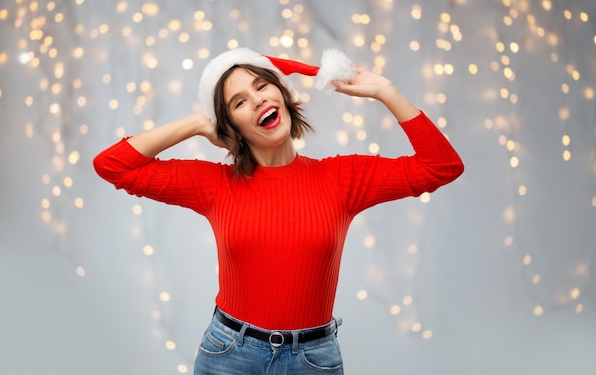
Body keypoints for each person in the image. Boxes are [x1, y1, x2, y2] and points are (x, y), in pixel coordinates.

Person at [93, 47, 464, 374]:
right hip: (228, 355)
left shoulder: (343, 178)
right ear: (230, 125)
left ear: (282, 95)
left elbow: (442, 166)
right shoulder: (214, 184)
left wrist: (385, 91)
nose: (256, 100)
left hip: (313, 361)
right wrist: (196, 124)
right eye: (238, 102)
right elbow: (112, 165)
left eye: (261, 86)